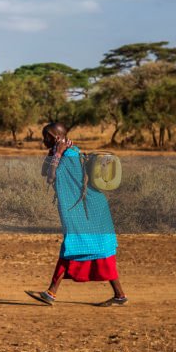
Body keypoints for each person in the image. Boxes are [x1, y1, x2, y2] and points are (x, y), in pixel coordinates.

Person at [25, 123, 128, 307]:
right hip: (84, 210)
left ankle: (51, 293)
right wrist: (55, 152)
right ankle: (52, 293)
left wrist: (57, 153)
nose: (43, 140)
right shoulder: (66, 153)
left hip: (90, 211)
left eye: (46, 137)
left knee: (86, 249)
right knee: (82, 249)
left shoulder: (69, 156)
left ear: (56, 137)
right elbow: (44, 171)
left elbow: (50, 177)